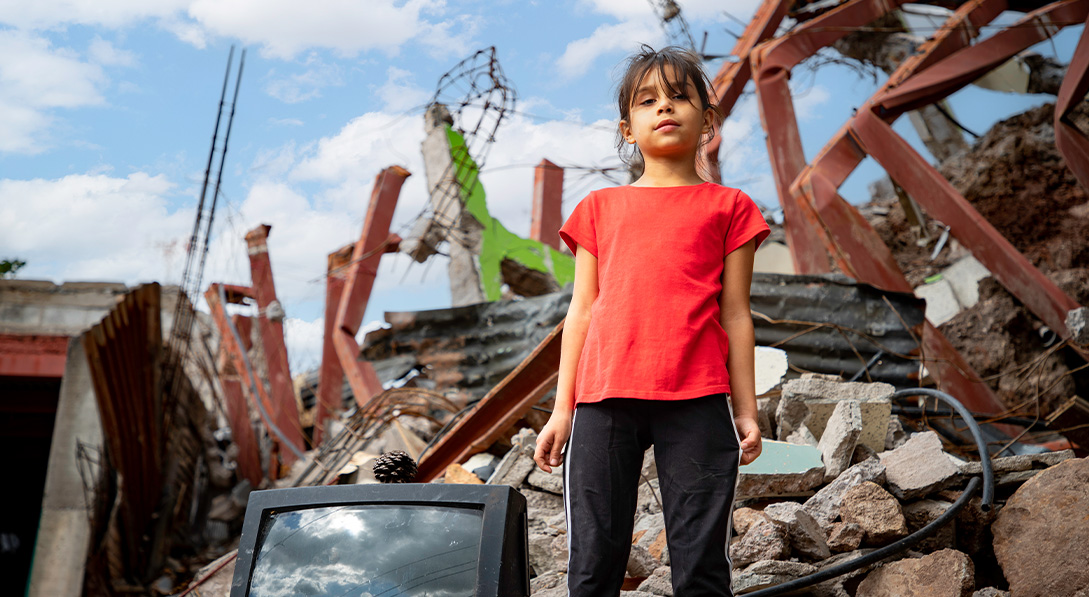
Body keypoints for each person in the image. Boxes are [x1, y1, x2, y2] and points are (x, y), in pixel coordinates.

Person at [532, 45, 770, 597]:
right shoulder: (598, 208)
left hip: (698, 399)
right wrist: (561, 411)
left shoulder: (730, 207)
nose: (664, 107)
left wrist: (747, 409)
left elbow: (736, 313)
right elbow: (582, 312)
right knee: (593, 565)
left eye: (679, 96)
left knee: (702, 565)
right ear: (628, 129)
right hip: (603, 399)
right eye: (647, 101)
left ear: (707, 121)